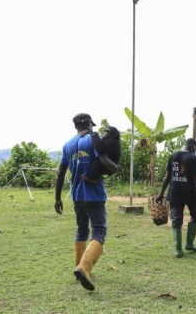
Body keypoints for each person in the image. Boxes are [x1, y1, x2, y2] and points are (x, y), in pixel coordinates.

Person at [54, 113, 117, 291]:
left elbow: (60, 172)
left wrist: (57, 198)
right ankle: (84, 267)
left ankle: (79, 267)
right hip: (94, 194)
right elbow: (104, 160)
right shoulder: (93, 140)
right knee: (99, 231)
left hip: (77, 195)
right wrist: (114, 168)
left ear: (75, 127)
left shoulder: (68, 145)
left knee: (82, 230)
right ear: (90, 124)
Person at [156, 138, 196, 258]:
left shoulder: (173, 156)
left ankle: (178, 250)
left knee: (176, 219)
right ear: (193, 146)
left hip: (175, 193)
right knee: (195, 215)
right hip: (190, 194)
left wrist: (161, 193)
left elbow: (167, 176)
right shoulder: (194, 158)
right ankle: (189, 244)